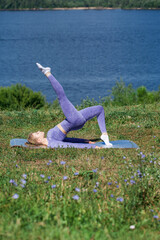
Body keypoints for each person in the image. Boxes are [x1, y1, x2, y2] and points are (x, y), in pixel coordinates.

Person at [27, 63, 113, 149]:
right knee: (61, 96)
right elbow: (70, 145)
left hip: (76, 121)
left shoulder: (50, 139)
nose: (38, 131)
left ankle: (104, 134)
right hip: (73, 120)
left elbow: (67, 140)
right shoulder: (52, 143)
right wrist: (91, 147)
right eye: (37, 133)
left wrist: (85, 141)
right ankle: (47, 72)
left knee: (100, 109)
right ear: (38, 140)